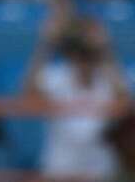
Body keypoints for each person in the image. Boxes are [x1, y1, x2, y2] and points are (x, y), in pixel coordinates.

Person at [23, 12, 130, 180]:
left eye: (91, 55)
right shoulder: (57, 76)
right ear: (71, 55)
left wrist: (106, 49)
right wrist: (46, 44)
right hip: (60, 167)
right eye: (81, 54)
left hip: (98, 167)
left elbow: (125, 103)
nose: (85, 61)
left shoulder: (106, 78)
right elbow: (27, 93)